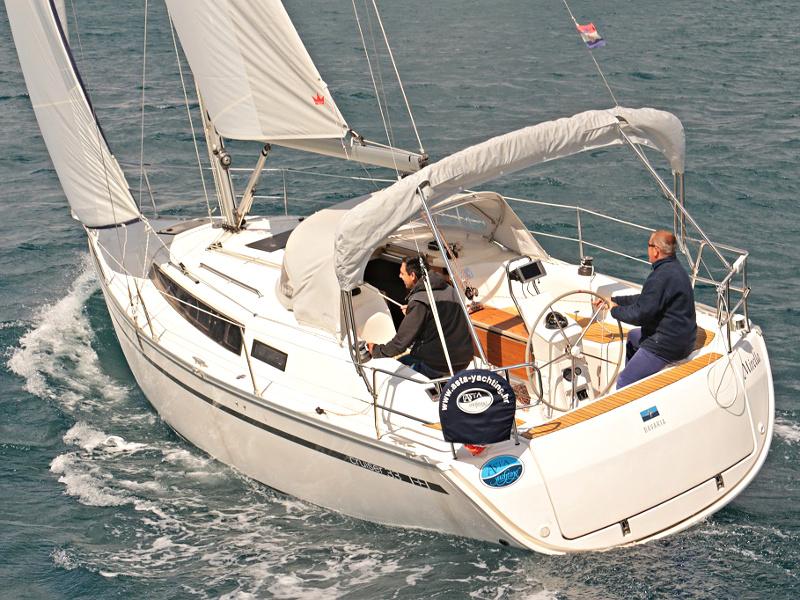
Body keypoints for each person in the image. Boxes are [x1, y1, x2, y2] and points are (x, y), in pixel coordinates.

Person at [593, 230, 697, 389]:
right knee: (633, 338)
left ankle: (629, 388)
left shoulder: (660, 277)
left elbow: (640, 315)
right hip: (683, 338)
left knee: (624, 381)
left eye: (649, 245)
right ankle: (638, 379)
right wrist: (614, 301)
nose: (647, 249)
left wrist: (614, 310)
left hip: (667, 344)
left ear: (656, 251)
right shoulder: (674, 268)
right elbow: (646, 299)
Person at [367, 255, 473, 379]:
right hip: (463, 359)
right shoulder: (449, 289)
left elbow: (400, 343)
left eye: (402, 273)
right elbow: (439, 316)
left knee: (390, 373)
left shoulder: (420, 302)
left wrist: (377, 350)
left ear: (412, 275)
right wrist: (413, 312)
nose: (399, 276)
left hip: (438, 365)